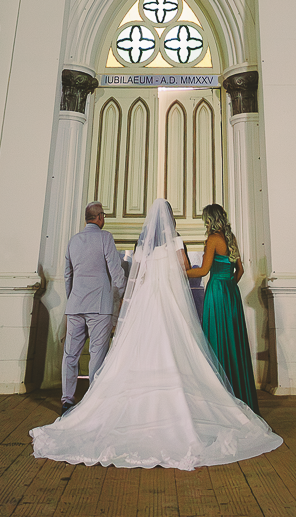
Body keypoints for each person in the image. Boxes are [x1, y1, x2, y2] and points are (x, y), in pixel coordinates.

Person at [31, 198, 282, 469]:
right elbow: (184, 269)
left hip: (141, 302)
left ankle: (76, 400)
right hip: (167, 300)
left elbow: (134, 276)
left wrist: (123, 299)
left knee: (109, 352)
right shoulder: (175, 242)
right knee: (175, 347)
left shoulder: (139, 247)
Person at [185, 203, 260, 412]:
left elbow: (203, 271)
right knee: (233, 341)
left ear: (210, 220)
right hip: (230, 293)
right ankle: (238, 395)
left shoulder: (213, 240)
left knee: (216, 342)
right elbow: (241, 270)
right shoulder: (230, 238)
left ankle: (220, 402)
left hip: (217, 293)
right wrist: (229, 285)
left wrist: (179, 272)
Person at [60, 202, 125, 414]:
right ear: (100, 218)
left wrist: (72, 299)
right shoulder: (104, 237)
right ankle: (92, 401)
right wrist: (123, 294)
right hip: (99, 305)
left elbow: (67, 275)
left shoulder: (73, 240)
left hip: (76, 304)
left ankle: (67, 400)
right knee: (96, 352)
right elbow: (116, 271)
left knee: (70, 354)